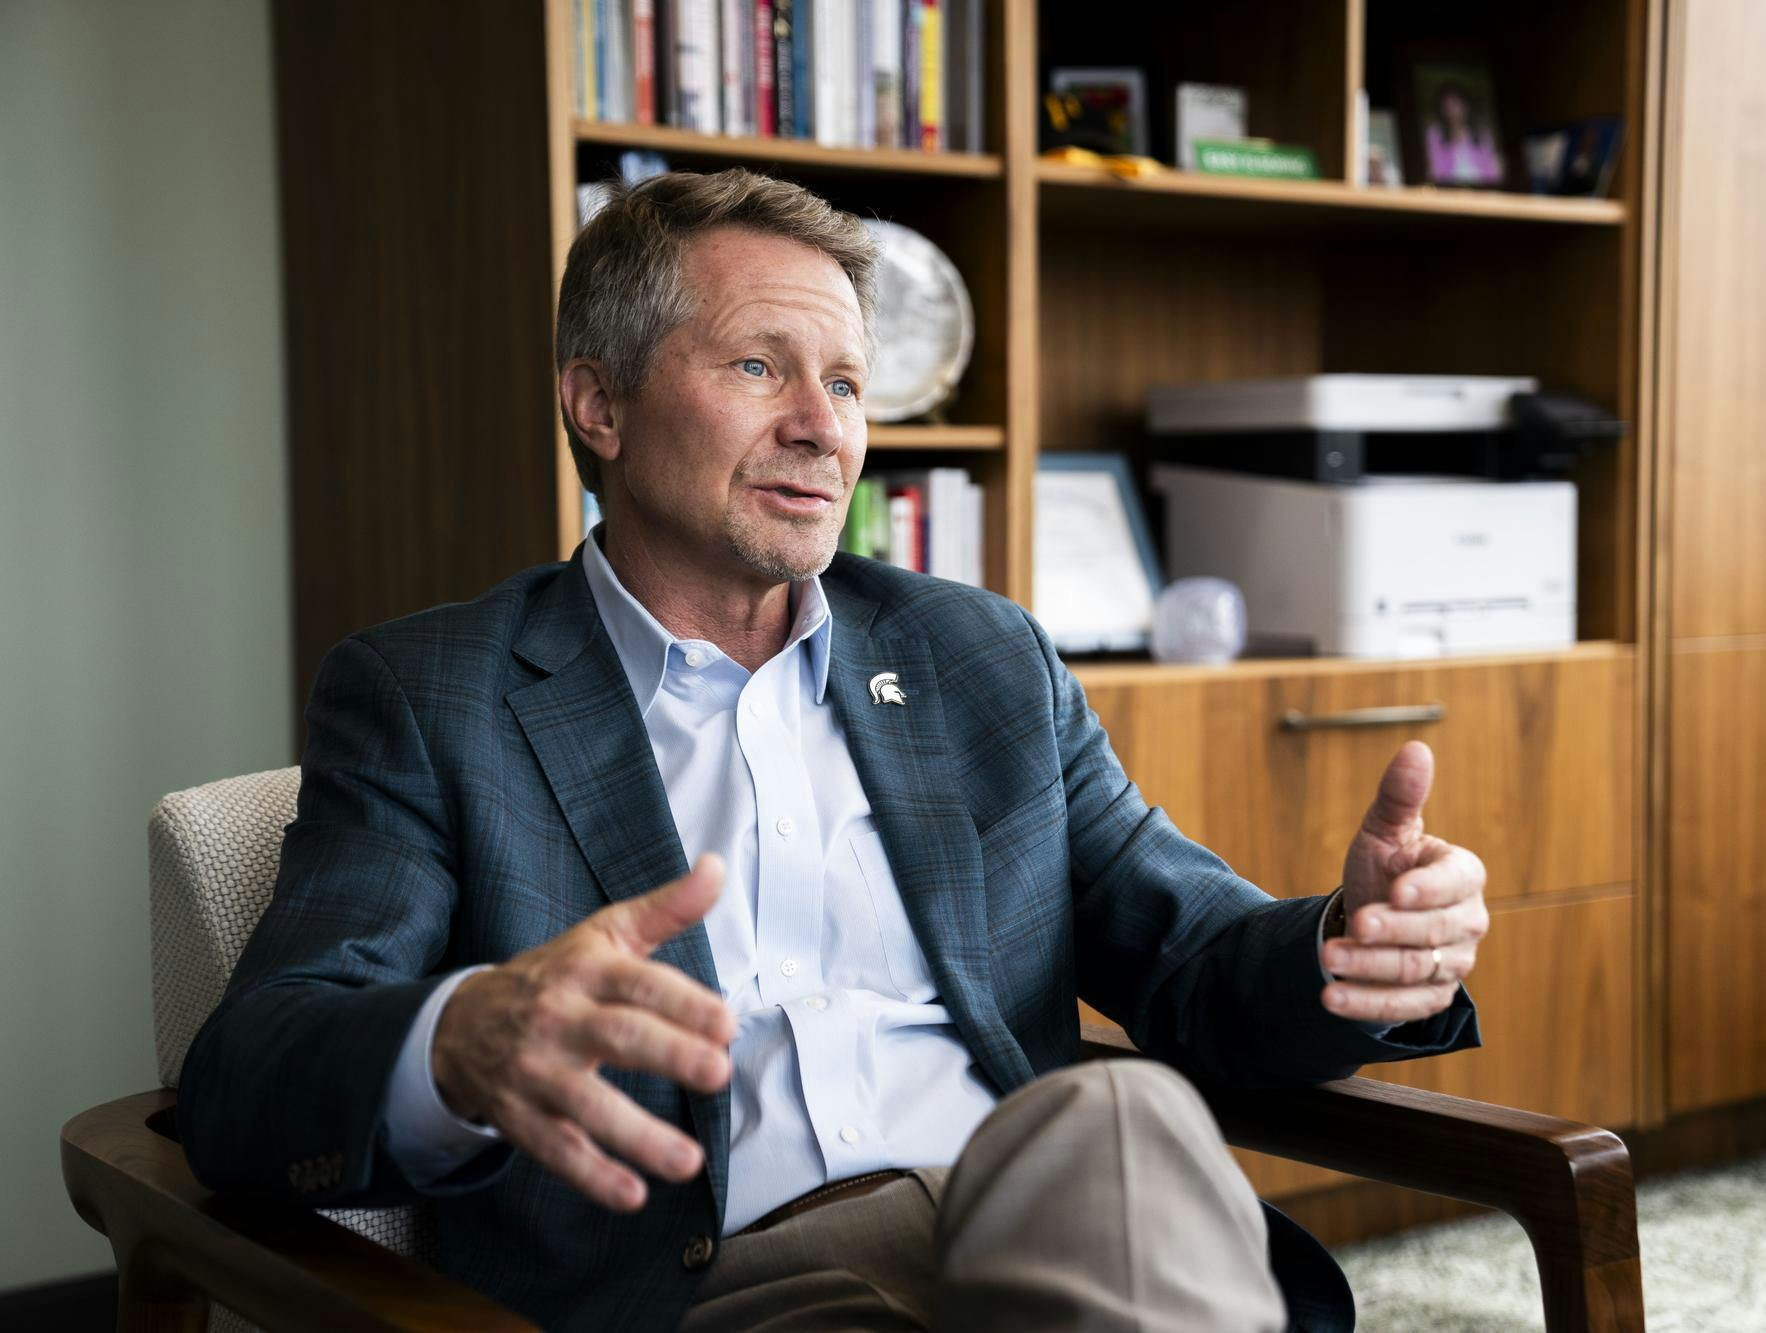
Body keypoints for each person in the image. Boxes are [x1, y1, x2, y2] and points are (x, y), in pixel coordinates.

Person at [178, 168, 1487, 1332]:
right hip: (726, 1280)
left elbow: (1191, 951)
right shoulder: (434, 696)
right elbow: (248, 1076)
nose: (822, 425)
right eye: (761, 367)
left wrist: (1352, 946)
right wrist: (458, 1037)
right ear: (599, 404)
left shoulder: (978, 657)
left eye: (848, 383)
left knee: (1118, 1114)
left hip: (1040, 1228)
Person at [1424, 80, 1504, 186]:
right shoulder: (1435, 134)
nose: (1451, 112)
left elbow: (1492, 170)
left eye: (1454, 104)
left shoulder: (1482, 133)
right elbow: (1435, 171)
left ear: (1466, 105)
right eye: (1447, 107)